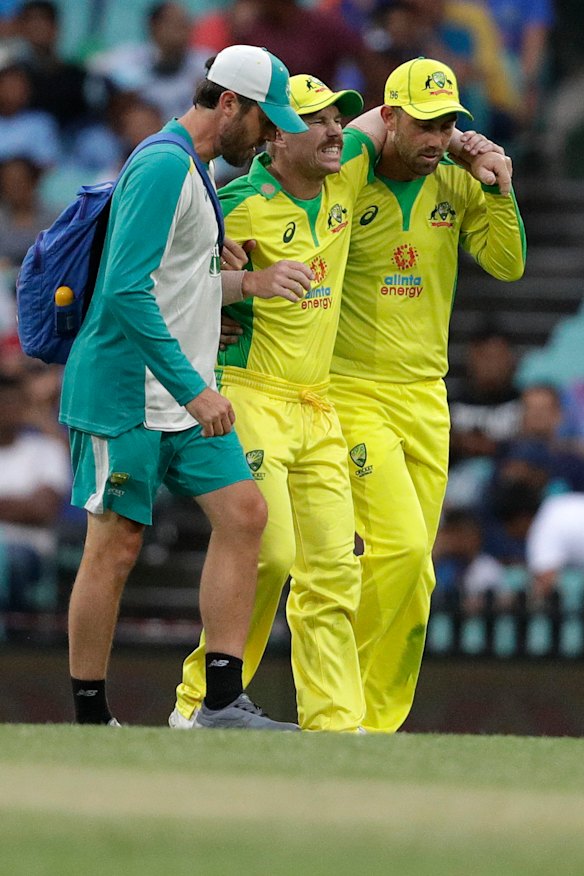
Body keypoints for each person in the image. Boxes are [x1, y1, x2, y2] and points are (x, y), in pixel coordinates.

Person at [171, 68, 509, 732]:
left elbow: (374, 138)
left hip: (321, 402)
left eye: (336, 119)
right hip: (257, 393)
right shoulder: (235, 205)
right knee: (268, 553)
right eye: (315, 119)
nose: (333, 131)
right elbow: (168, 288)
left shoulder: (341, 196)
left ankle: (341, 725)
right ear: (273, 135)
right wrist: (233, 289)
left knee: (339, 570)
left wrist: (486, 166)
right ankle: (197, 703)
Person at [59, 44, 311, 730]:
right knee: (115, 546)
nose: (269, 137)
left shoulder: (190, 169)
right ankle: (91, 719)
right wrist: (195, 389)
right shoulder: (166, 164)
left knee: (245, 516)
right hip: (127, 395)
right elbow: (125, 290)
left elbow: (175, 283)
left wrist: (242, 287)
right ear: (229, 103)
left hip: (177, 393)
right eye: (265, 120)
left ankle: (221, 704)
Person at [328, 56, 526, 732]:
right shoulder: (352, 170)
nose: (436, 139)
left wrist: (499, 186)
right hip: (351, 391)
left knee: (417, 574)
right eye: (422, 124)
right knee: (404, 549)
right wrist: (364, 133)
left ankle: (374, 726)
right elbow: (333, 146)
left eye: (447, 125)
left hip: (425, 398)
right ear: (389, 115)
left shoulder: (455, 181)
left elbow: (507, 263)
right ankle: (339, 704)